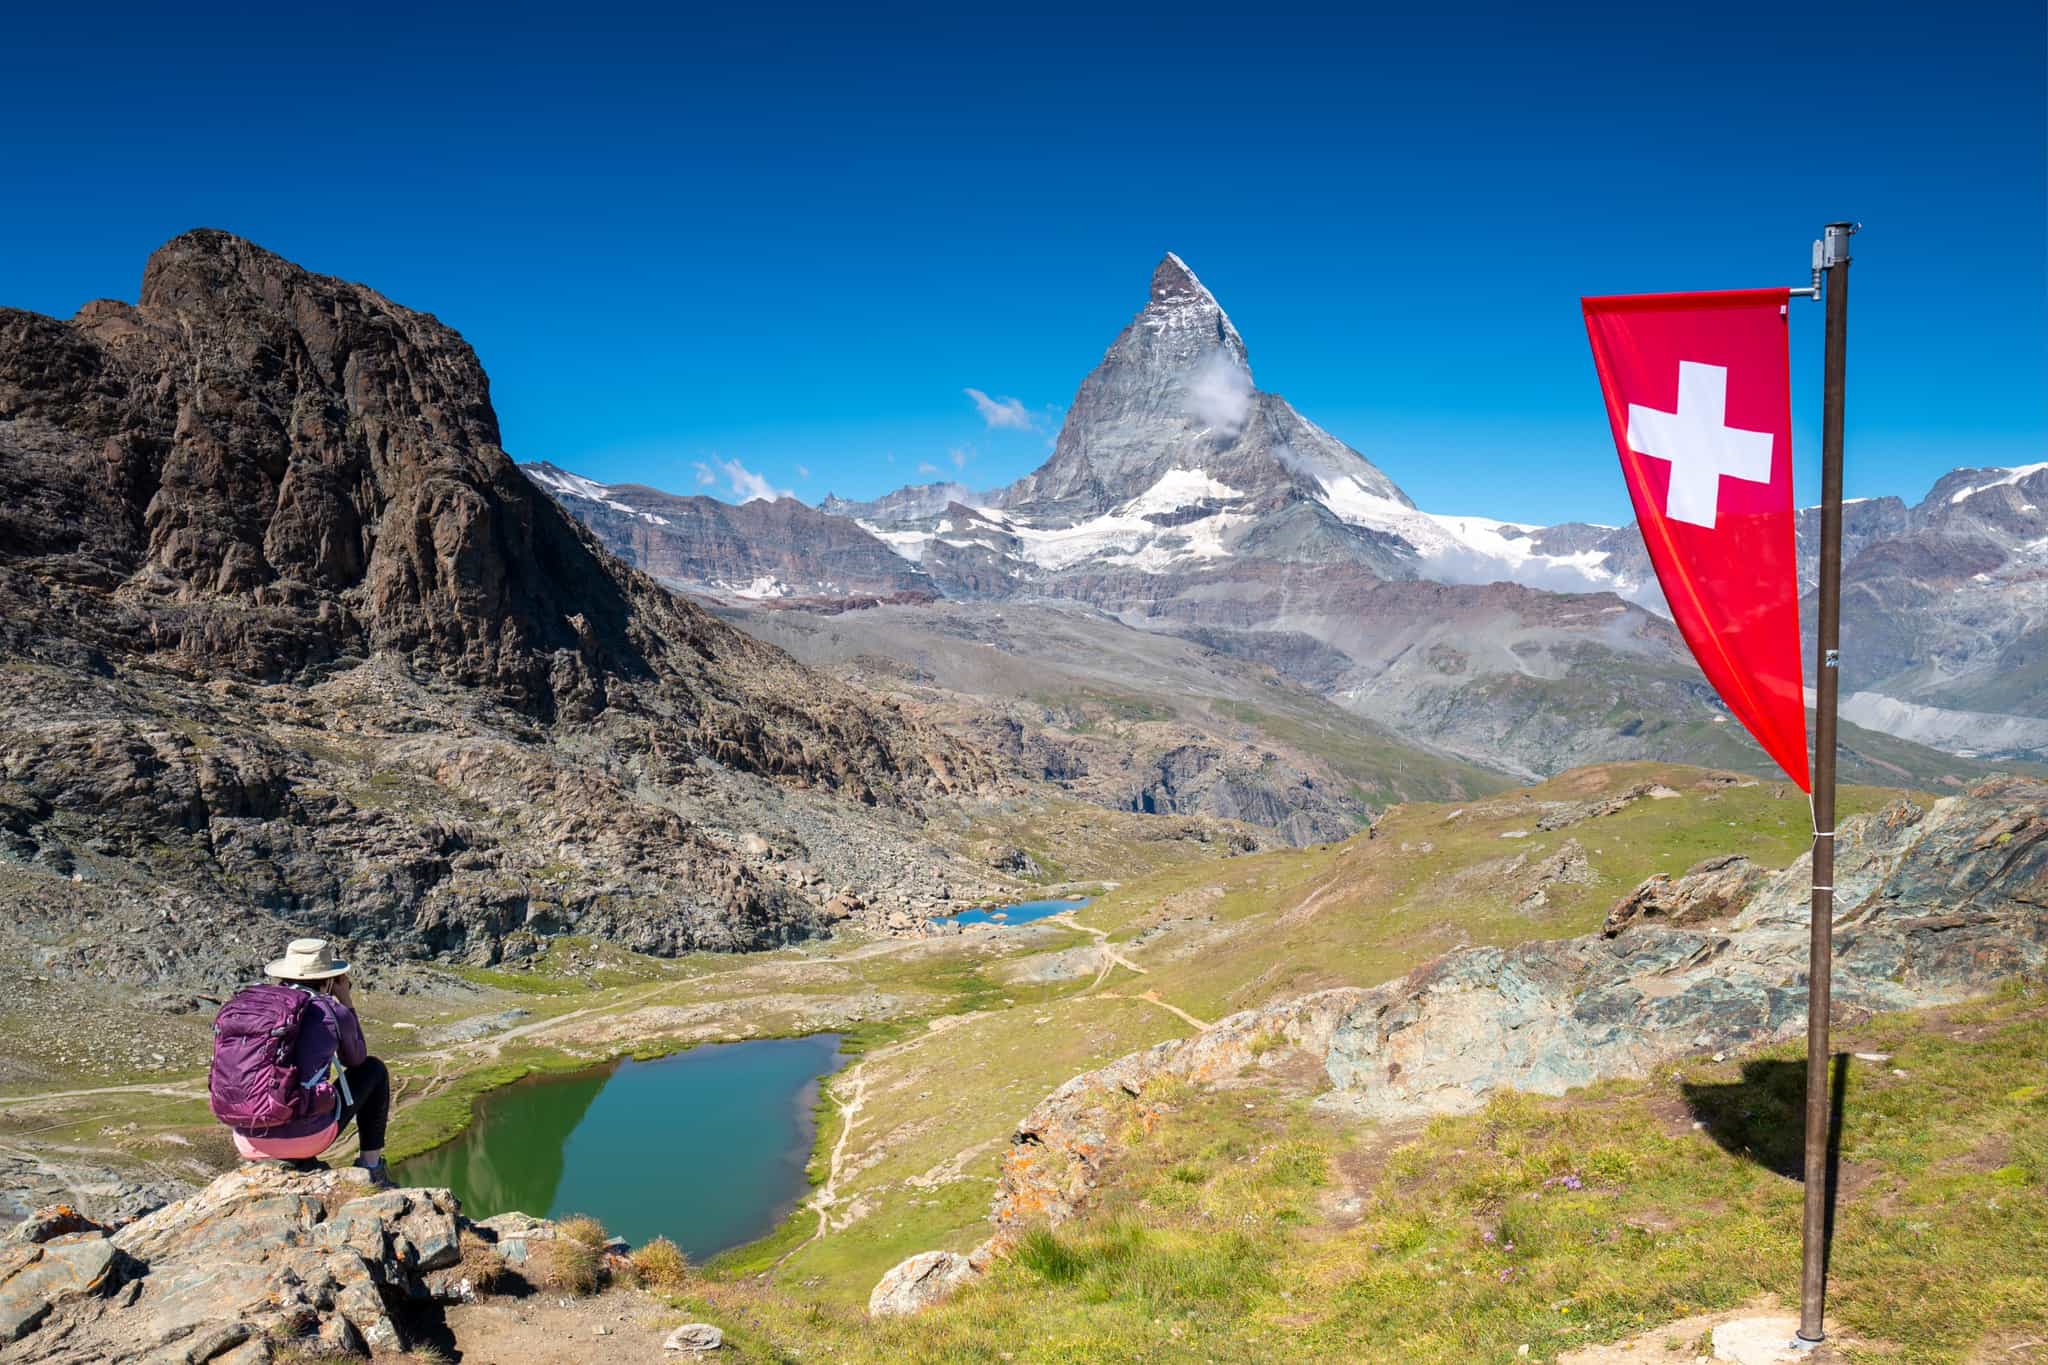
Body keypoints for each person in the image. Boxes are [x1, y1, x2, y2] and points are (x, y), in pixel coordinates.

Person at [229, 937, 395, 1188]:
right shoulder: (330, 1010)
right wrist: (346, 1001)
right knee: (374, 1070)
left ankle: (266, 1156)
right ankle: (371, 1166)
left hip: (247, 1138)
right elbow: (356, 1059)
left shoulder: (252, 1007)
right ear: (328, 980)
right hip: (308, 1138)